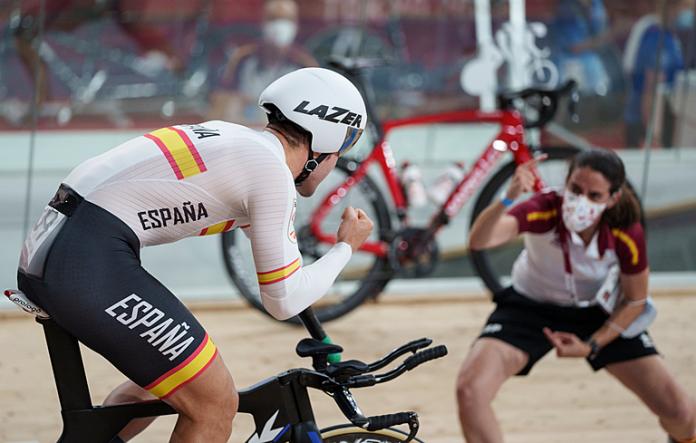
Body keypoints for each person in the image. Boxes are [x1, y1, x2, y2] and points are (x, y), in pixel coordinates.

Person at [16, 67, 371, 442]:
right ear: (323, 143)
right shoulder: (270, 171)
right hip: (85, 260)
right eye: (343, 148)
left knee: (169, 378)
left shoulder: (238, 141)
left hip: (64, 247)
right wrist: (346, 247)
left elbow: (281, 266)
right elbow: (283, 300)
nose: (336, 163)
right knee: (215, 404)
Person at [456, 149, 696, 443]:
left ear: (613, 199)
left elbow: (635, 301)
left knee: (682, 413)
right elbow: (479, 240)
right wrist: (508, 198)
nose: (581, 201)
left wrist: (592, 344)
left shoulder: (625, 230)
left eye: (594, 196)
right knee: (469, 390)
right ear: (565, 183)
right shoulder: (545, 208)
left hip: (598, 312)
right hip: (529, 307)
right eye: (575, 190)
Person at [208, 0, 318, 125]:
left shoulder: (305, 66)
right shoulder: (242, 59)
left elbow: (314, 115)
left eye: (287, 19)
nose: (280, 26)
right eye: (273, 19)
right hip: (246, 132)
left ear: (296, 25)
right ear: (263, 22)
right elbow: (219, 105)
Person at [622, 0, 693, 148]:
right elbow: (651, 89)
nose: (690, 13)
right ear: (673, 7)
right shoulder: (657, 39)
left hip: (661, 119)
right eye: (687, 7)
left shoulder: (669, 36)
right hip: (648, 123)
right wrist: (652, 135)